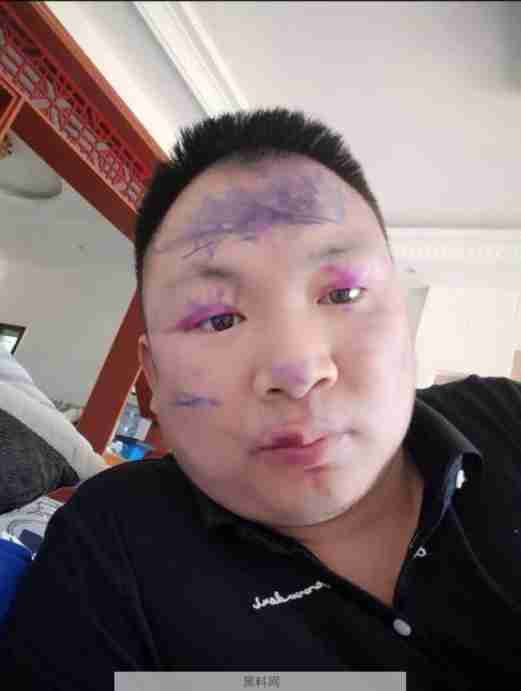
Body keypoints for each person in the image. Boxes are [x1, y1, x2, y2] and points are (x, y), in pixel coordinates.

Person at [2, 107, 521, 689]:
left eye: (343, 293)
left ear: (400, 314)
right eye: (219, 320)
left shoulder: (509, 421)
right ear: (155, 377)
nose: (298, 371)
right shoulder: (112, 542)